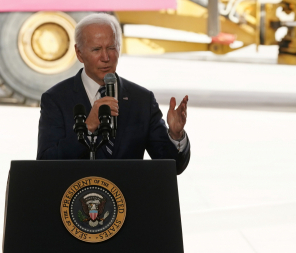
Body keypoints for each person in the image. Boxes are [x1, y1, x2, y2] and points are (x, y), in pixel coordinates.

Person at [37, 13, 190, 175]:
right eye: (96, 49)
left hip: (127, 198)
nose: (106, 57)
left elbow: (173, 167)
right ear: (79, 53)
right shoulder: (56, 99)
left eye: (111, 48)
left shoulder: (142, 100)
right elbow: (45, 163)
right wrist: (88, 127)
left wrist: (175, 135)